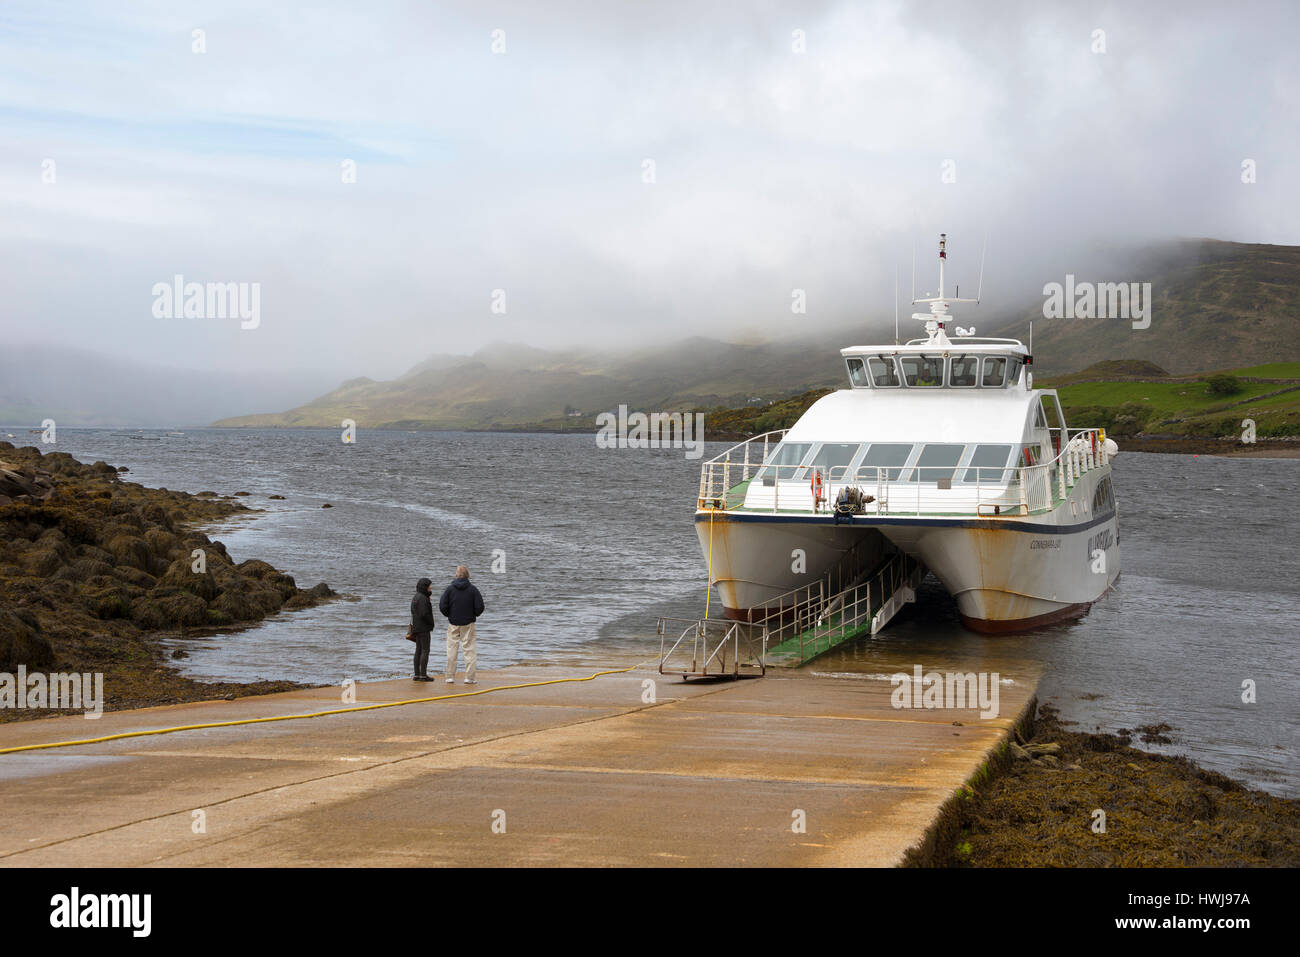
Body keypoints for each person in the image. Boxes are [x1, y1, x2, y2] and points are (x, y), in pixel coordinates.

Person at [439, 565, 485, 684]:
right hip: (468, 623)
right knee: (469, 650)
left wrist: (449, 615)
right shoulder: (473, 589)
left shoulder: (450, 589)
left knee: (451, 650)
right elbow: (480, 607)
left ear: (456, 575)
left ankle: (449, 676)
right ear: (468, 576)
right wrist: (473, 614)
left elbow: (442, 606)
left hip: (453, 622)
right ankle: (469, 677)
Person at [409, 577, 436, 681]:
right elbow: (424, 614)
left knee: (418, 650)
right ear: (424, 587)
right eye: (429, 586)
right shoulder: (423, 598)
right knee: (425, 650)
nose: (430, 588)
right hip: (423, 628)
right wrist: (431, 623)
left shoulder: (415, 597)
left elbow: (413, 612)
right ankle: (423, 675)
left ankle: (417, 674)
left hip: (416, 627)